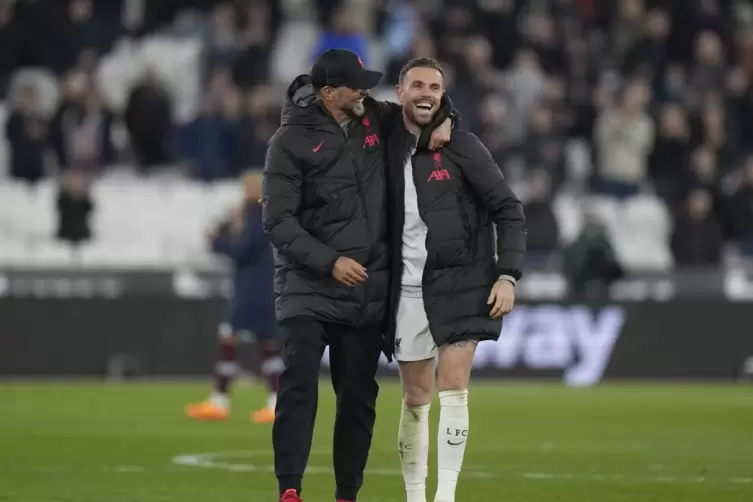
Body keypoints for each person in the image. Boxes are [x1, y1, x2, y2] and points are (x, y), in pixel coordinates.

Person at [262, 49, 456, 502]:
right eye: (357, 85)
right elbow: (278, 222)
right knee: (299, 384)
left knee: (357, 398)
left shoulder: (376, 118)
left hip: (366, 288)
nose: (367, 91)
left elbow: (422, 107)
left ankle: (346, 493)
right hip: (308, 287)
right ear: (329, 93)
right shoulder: (287, 143)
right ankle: (290, 489)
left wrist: (447, 119)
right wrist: (329, 261)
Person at [384, 57, 527, 502]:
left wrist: (507, 275)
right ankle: (414, 496)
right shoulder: (379, 150)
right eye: (419, 85)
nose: (427, 93)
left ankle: (444, 497)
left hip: (464, 279)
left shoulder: (462, 145)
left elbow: (509, 209)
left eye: (436, 87)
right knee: (414, 396)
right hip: (405, 286)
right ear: (400, 93)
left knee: (454, 385)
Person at [185, 170, 281, 424]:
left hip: (251, 292)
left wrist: (217, 241)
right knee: (268, 344)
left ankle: (220, 401)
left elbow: (242, 251)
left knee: (229, 336)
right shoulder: (273, 213)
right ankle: (275, 402)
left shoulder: (254, 215)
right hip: (267, 289)